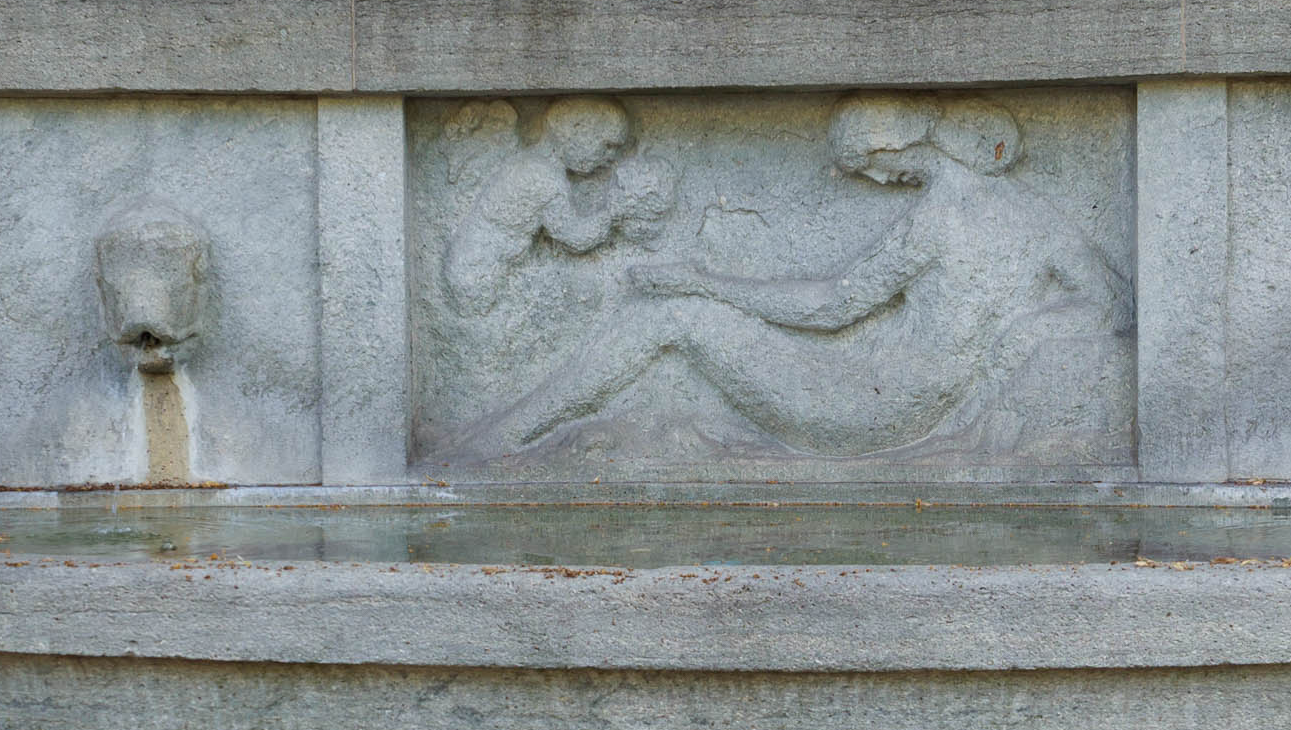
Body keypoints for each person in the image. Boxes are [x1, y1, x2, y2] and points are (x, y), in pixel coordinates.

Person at [473, 94, 1129, 457]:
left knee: (672, 315)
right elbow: (1110, 303)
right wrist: (1018, 338)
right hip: (892, 391)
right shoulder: (1040, 215)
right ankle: (505, 437)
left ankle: (499, 443)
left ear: (896, 147)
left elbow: (830, 307)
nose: (875, 180)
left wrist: (700, 279)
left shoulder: (938, 219)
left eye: (869, 165)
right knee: (678, 315)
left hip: (868, 407)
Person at [441, 96, 674, 317]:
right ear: (577, 131)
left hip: (472, 267)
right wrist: (614, 213)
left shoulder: (531, 163)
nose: (611, 158)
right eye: (607, 146)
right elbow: (575, 238)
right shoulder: (544, 179)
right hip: (476, 276)